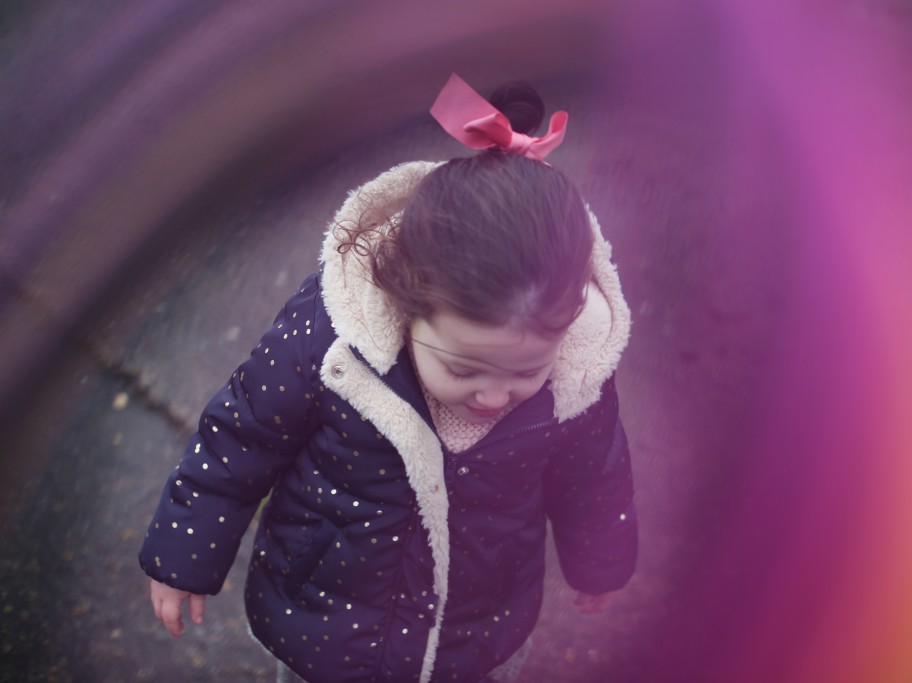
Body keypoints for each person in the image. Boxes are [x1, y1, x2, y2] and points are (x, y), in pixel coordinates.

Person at [139, 73, 637, 683]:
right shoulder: (332, 343)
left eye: (525, 371)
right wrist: (184, 550)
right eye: (462, 367)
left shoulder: (576, 380)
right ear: (407, 299)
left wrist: (600, 565)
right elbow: (241, 435)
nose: (491, 395)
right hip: (326, 621)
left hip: (475, 633)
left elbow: (595, 476)